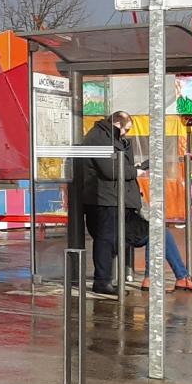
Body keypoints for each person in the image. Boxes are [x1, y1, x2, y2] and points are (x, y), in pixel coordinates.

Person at [78, 110, 143, 298]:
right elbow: (111, 170)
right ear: (117, 124)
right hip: (103, 199)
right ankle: (102, 281)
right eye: (126, 130)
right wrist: (135, 172)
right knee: (106, 241)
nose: (126, 134)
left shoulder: (109, 138)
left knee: (110, 240)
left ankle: (106, 279)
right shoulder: (99, 137)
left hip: (110, 197)